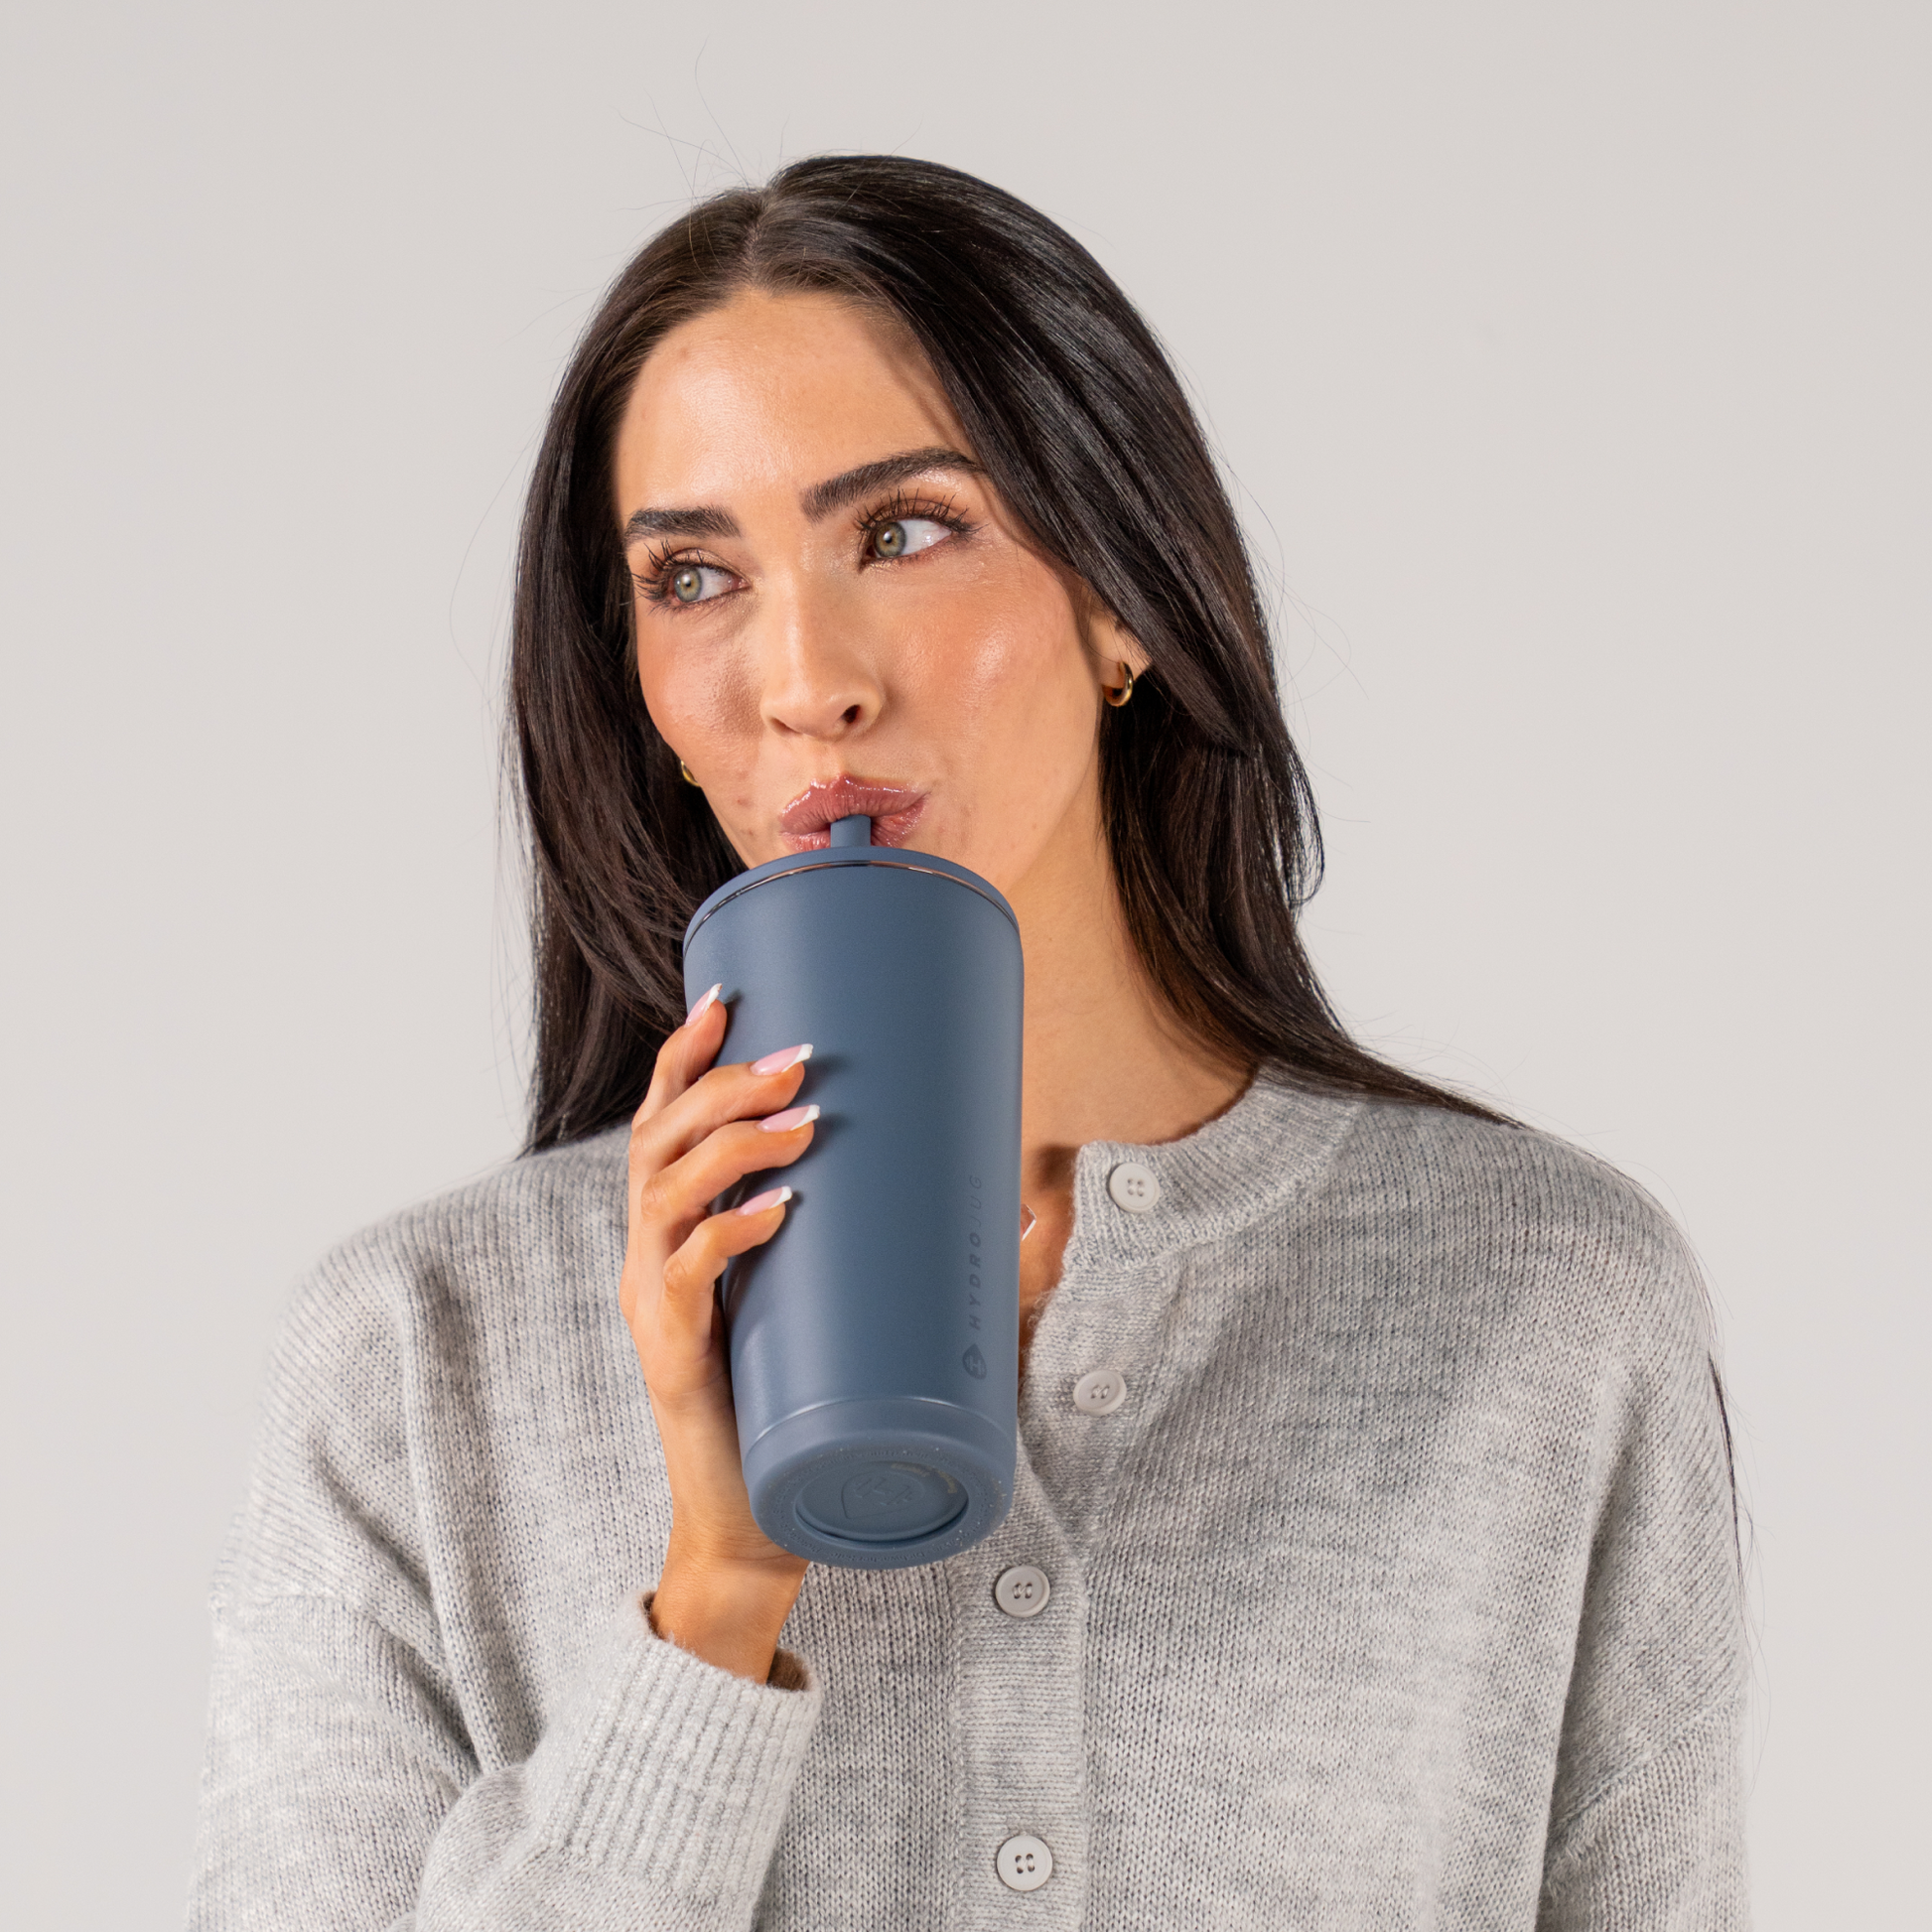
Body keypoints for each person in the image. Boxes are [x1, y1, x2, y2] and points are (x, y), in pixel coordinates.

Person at [188, 156, 1747, 1929]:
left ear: (1122, 594)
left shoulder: (1546, 1303)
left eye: (905, 531)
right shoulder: (415, 1358)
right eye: (693, 575)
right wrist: (713, 1598)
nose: (805, 681)